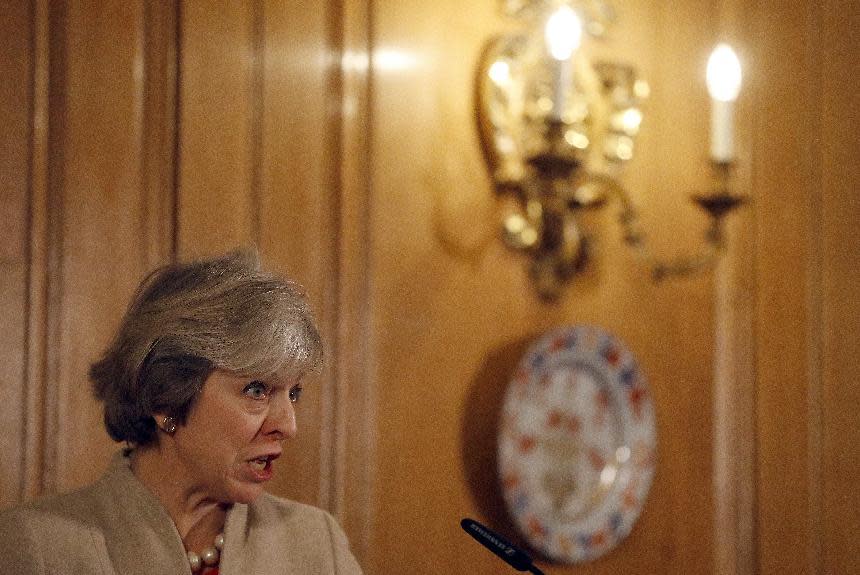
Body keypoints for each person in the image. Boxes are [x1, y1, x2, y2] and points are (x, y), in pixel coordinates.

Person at [0, 249, 363, 574]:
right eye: (257, 390)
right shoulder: (38, 546)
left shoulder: (316, 543)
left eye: (294, 393)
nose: (287, 425)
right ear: (165, 398)